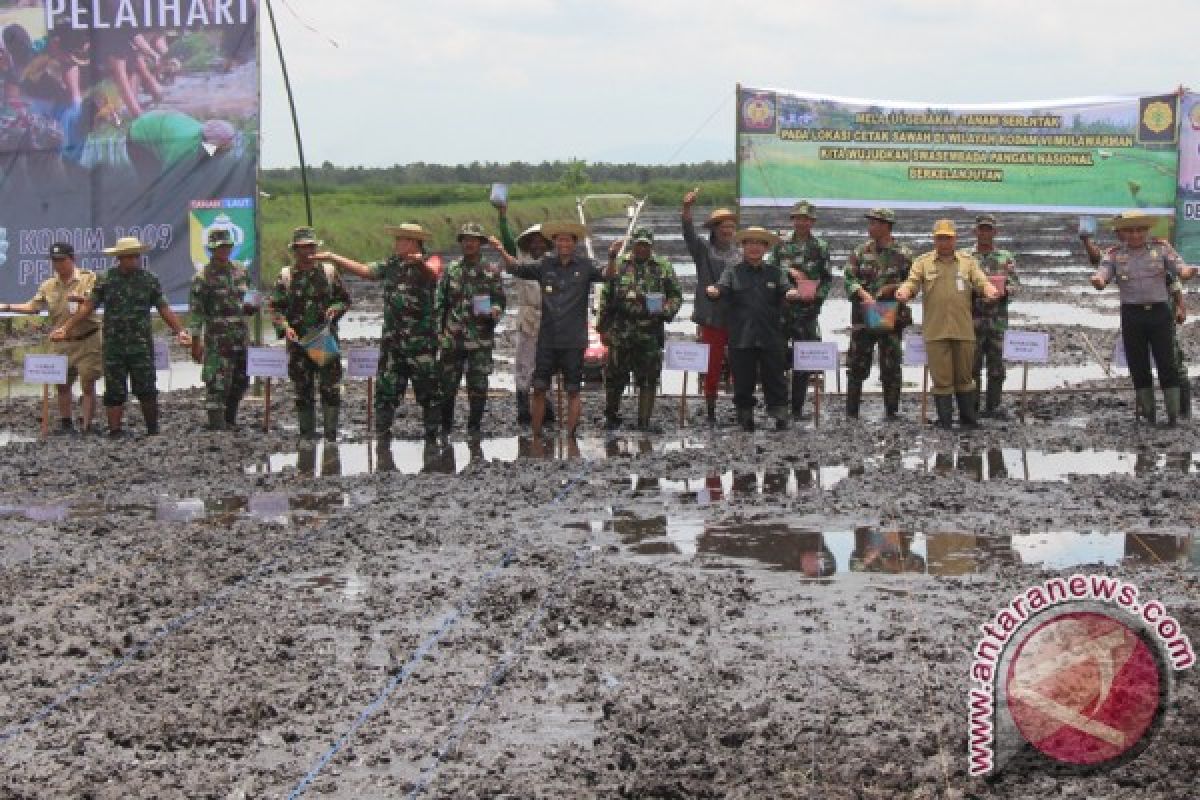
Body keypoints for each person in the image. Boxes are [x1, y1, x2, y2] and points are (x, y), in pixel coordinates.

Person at [51, 236, 190, 437]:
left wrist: (180, 331)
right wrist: (66, 328)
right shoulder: (107, 279)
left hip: (140, 345)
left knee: (147, 387)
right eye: (129, 256)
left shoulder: (149, 280)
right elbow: (89, 306)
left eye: (136, 256)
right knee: (114, 390)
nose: (133, 260)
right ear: (120, 258)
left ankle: (152, 429)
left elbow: (164, 308)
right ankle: (115, 430)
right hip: (114, 345)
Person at [320, 223, 442, 440]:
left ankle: (434, 438)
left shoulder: (431, 260)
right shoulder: (391, 264)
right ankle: (382, 437)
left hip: (420, 343)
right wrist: (334, 257)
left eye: (400, 240)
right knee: (386, 391)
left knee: (429, 391)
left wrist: (419, 264)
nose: (396, 244)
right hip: (393, 342)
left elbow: (433, 273)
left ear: (413, 241)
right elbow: (366, 271)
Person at [508, 221, 614, 438]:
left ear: (574, 243)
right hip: (546, 339)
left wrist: (612, 257)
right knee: (538, 388)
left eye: (568, 239)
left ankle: (571, 436)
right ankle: (536, 435)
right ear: (554, 242)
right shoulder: (544, 265)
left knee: (573, 390)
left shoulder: (585, 266)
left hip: (574, 340)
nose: (563, 243)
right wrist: (501, 250)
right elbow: (515, 268)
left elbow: (608, 275)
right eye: (560, 239)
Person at [1083, 216, 1195, 419]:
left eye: (1140, 230)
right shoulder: (1114, 254)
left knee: (1168, 364)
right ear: (1120, 233)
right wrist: (1098, 281)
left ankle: (1173, 417)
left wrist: (1187, 272)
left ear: (1148, 230)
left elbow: (1179, 267)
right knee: (1138, 365)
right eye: (1129, 231)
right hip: (1132, 315)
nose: (1135, 235)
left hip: (1160, 313)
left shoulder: (1161, 249)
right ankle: (1149, 415)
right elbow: (1103, 273)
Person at [895, 220, 1000, 429]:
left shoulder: (967, 262)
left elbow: (980, 281)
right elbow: (912, 282)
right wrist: (904, 292)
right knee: (942, 381)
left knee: (965, 378)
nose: (944, 242)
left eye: (948, 238)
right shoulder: (923, 262)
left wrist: (990, 290)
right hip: (935, 331)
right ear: (934, 239)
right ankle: (945, 424)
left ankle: (968, 421)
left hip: (963, 330)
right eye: (940, 238)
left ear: (955, 239)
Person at [705, 226, 804, 431]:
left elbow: (787, 289)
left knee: (776, 377)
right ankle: (745, 416)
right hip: (741, 335)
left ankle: (779, 414)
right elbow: (721, 288)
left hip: (771, 335)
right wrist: (713, 291)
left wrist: (791, 294)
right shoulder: (732, 271)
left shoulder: (775, 273)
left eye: (759, 243)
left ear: (766, 248)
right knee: (742, 379)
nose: (754, 247)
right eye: (749, 243)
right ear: (742, 246)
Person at [1, 242, 102, 433]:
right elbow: (33, 306)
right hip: (62, 342)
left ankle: (88, 425)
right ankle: (66, 423)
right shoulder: (48, 285)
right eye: (54, 261)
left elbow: (87, 306)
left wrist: (68, 324)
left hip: (88, 339)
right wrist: (7, 307)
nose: (58, 265)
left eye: (62, 260)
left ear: (72, 259)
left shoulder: (88, 279)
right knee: (62, 384)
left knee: (88, 383)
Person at [596, 227, 683, 431]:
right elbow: (605, 297)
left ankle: (644, 420)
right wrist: (602, 328)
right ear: (633, 244)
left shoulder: (663, 267)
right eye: (638, 244)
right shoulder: (618, 265)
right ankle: (611, 416)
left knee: (648, 378)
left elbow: (676, 295)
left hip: (650, 332)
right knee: (614, 376)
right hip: (621, 330)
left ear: (651, 246)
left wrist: (666, 309)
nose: (642, 248)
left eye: (646, 245)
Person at [269, 226, 351, 440]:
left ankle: (331, 435)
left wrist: (336, 308)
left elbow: (344, 299)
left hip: (322, 339)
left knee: (330, 388)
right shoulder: (286, 276)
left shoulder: (329, 272)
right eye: (302, 248)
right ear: (295, 250)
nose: (306, 252)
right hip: (298, 343)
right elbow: (276, 308)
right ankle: (307, 435)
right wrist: (284, 328)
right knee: (303, 391)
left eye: (310, 247)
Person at [436, 222, 508, 434]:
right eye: (466, 239)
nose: (469, 243)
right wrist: (439, 334)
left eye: (474, 240)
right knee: (447, 386)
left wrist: (494, 311)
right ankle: (445, 429)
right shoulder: (451, 269)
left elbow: (500, 301)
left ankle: (474, 429)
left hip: (480, 339)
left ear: (480, 243)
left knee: (478, 386)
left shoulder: (491, 271)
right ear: (461, 242)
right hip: (453, 338)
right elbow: (440, 303)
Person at [844, 209, 913, 419]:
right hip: (864, 316)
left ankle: (892, 411)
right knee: (857, 364)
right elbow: (848, 277)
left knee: (891, 366)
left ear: (886, 226)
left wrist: (895, 288)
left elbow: (914, 283)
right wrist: (861, 292)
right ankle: (852, 412)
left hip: (890, 316)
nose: (870, 227)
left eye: (874, 223)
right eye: (870, 223)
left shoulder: (903, 253)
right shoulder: (860, 251)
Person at [187, 228, 255, 430]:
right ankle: (216, 426)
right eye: (219, 247)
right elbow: (197, 314)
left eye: (227, 246)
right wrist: (195, 343)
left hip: (241, 338)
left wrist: (253, 304)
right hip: (217, 340)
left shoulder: (241, 271)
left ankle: (230, 420)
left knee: (240, 381)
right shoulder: (203, 277)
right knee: (217, 383)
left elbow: (250, 296)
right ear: (211, 249)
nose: (224, 250)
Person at [682, 188, 739, 425]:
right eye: (722, 226)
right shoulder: (703, 250)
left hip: (737, 317)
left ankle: (740, 406)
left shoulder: (741, 253)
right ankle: (711, 408)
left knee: (739, 364)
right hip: (712, 316)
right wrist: (687, 209)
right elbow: (688, 234)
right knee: (712, 363)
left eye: (730, 226)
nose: (726, 230)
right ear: (714, 229)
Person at [771, 200, 832, 420]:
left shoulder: (820, 247)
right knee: (777, 358)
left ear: (812, 222)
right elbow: (771, 274)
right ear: (793, 220)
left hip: (807, 313)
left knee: (804, 361)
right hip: (783, 312)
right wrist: (789, 277)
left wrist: (817, 298)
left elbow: (826, 280)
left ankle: (797, 407)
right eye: (798, 218)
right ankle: (778, 405)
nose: (801, 222)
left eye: (806, 219)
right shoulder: (781, 245)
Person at [496, 205, 555, 427]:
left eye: (541, 241)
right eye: (534, 241)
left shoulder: (554, 261)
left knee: (547, 365)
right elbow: (508, 242)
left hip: (551, 320)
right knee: (524, 364)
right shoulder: (521, 259)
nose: (537, 245)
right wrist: (502, 216)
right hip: (528, 317)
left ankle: (547, 409)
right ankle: (523, 408)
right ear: (529, 244)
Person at [969, 214, 1019, 418]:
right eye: (981, 229)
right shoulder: (965, 257)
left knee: (996, 366)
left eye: (988, 229)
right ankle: (971, 407)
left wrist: (1004, 292)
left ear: (995, 232)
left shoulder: (1005, 257)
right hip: (972, 319)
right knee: (971, 366)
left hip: (997, 320)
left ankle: (994, 406)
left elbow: (1015, 284)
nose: (984, 233)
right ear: (975, 231)